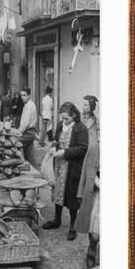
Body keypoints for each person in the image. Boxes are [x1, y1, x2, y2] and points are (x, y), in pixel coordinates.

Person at [43, 102, 89, 241]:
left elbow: (83, 148)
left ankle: (72, 225)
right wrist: (54, 147)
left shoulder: (81, 128)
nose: (64, 121)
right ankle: (57, 219)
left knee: (72, 196)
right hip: (59, 165)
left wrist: (65, 152)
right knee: (57, 191)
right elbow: (56, 140)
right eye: (62, 118)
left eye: (66, 119)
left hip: (72, 167)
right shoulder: (59, 125)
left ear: (74, 115)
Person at [75, 141, 100, 268]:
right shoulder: (96, 148)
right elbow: (87, 170)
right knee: (95, 226)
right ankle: (92, 250)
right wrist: (81, 192)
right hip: (97, 193)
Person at [18, 87, 38, 162]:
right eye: (21, 95)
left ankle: (19, 163)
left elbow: (25, 124)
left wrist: (17, 133)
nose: (22, 97)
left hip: (28, 132)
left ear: (29, 95)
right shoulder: (29, 104)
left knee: (15, 142)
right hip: (30, 132)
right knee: (29, 157)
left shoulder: (29, 106)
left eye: (24, 95)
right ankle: (34, 170)